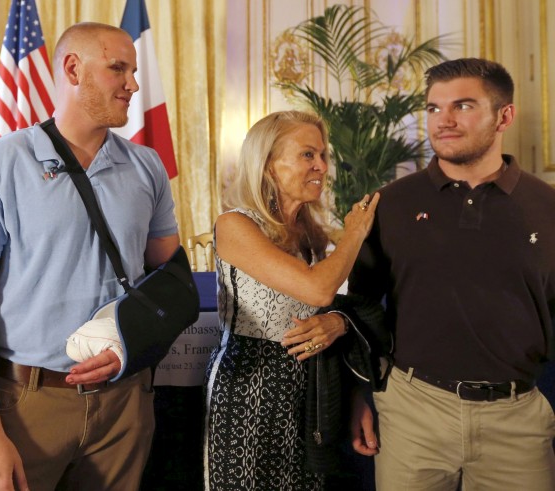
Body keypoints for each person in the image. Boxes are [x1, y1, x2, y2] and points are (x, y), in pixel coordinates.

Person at [0, 22, 180, 491]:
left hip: (125, 407)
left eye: (133, 70)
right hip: (27, 405)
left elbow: (170, 278)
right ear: (73, 69)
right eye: (118, 68)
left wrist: (131, 347)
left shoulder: (147, 165)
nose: (133, 84)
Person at [347, 58, 555, 490]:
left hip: (517, 420)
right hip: (413, 412)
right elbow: (357, 309)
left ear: (505, 116)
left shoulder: (548, 207)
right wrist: (355, 397)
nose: (443, 121)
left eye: (462, 106)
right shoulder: (389, 204)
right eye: (433, 108)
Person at [203, 110, 379, 490]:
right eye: (307, 155)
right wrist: (355, 232)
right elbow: (318, 289)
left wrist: (339, 323)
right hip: (248, 386)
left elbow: (337, 306)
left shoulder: (311, 232)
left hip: (312, 386)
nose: (321, 166)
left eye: (323, 155)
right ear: (268, 165)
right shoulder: (235, 224)